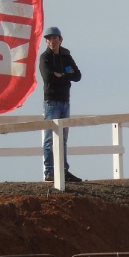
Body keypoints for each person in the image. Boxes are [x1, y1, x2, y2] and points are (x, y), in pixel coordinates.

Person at [39, 26, 82, 182]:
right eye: (49, 39)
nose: (51, 41)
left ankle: (63, 170)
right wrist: (65, 76)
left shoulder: (65, 55)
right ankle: (49, 171)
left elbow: (77, 75)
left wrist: (60, 75)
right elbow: (48, 77)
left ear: (60, 39)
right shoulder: (45, 58)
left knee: (62, 137)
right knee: (50, 137)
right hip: (51, 102)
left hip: (65, 101)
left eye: (54, 38)